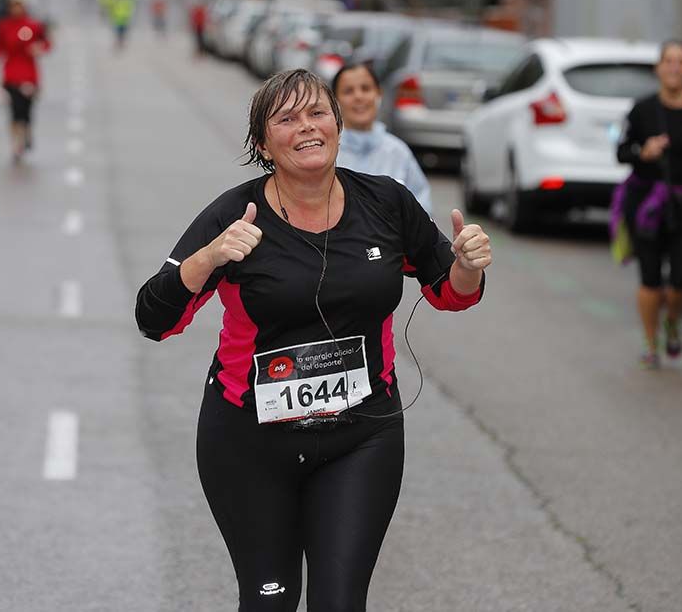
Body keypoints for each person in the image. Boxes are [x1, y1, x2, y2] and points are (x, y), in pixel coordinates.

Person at [135, 69, 491, 611]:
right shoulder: (235, 215)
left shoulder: (386, 203)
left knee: (340, 603)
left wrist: (466, 266)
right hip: (249, 441)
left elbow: (451, 291)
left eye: (318, 113)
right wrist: (208, 257)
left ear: (338, 125)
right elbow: (154, 318)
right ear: (263, 143)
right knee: (270, 602)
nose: (306, 127)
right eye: (287, 119)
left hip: (361, 436)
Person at [612, 39, 682, 369]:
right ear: (658, 68)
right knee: (650, 278)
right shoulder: (642, 110)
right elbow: (622, 152)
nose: (674, 67)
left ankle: (673, 319)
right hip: (646, 204)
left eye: (681, 62)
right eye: (669, 61)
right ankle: (651, 346)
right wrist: (643, 152)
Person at [333, 62, 432, 213]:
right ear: (335, 100)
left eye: (365, 88)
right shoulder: (328, 153)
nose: (358, 96)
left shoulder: (399, 152)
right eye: (348, 91)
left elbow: (422, 208)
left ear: (379, 93)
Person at [0, 0, 51, 163]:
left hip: (29, 75)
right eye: (13, 5)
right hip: (10, 74)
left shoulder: (33, 26)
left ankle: (27, 133)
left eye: (19, 4)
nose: (16, 8)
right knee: (14, 111)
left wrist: (39, 48)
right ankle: (16, 143)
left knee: (26, 110)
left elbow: (46, 43)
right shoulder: (4, 25)